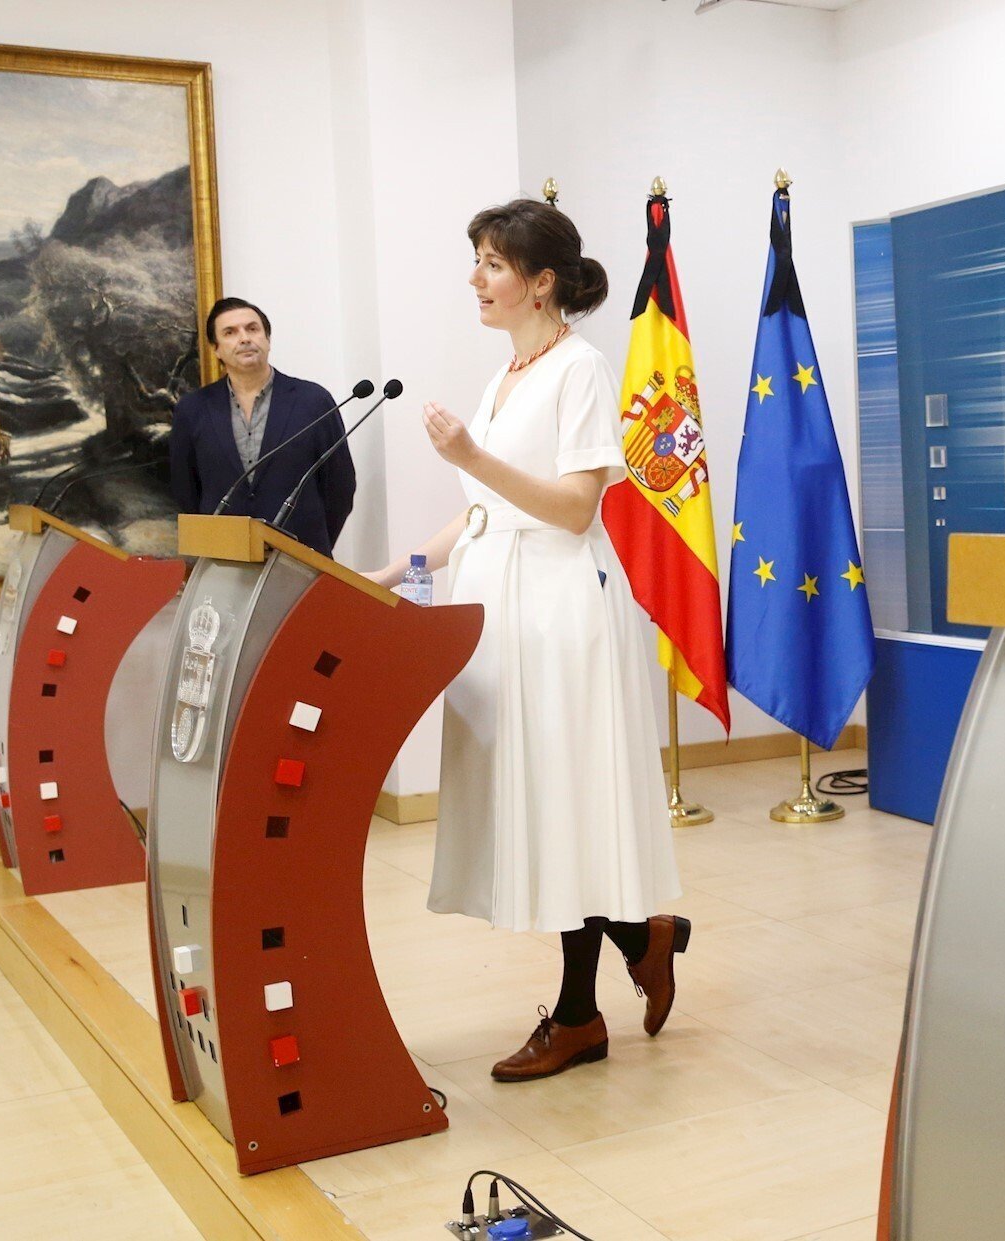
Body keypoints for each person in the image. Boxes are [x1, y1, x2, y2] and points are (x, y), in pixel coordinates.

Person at [369, 201, 687, 1082]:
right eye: (477, 259)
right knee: (540, 801)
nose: (476, 278)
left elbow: (575, 509)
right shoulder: (506, 374)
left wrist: (471, 456)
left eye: (493, 263)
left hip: (560, 608)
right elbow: (483, 515)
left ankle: (580, 1016)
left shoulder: (580, 368)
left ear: (540, 283)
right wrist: (393, 574)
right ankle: (643, 936)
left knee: (563, 799)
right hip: (500, 604)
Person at [169, 297, 356, 556]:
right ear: (216, 349)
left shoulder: (313, 401)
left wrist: (313, 546)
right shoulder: (193, 409)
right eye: (230, 332)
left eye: (252, 329)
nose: (244, 338)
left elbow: (340, 486)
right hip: (225, 558)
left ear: (267, 339)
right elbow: (185, 491)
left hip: (302, 557)